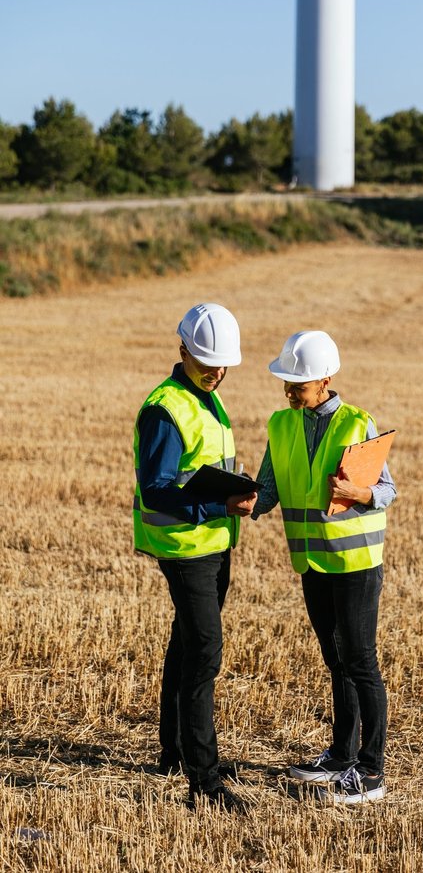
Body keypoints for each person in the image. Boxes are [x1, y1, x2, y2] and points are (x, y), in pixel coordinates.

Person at [252, 331, 396, 805]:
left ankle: (370, 773)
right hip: (312, 562)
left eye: (298, 384)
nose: (289, 392)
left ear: (325, 380)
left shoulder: (358, 424)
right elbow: (267, 492)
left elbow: (387, 491)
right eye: (286, 383)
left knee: (361, 662)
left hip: (355, 563)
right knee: (336, 661)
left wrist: (360, 494)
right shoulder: (281, 425)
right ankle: (340, 756)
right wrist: (234, 498)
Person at [133, 303, 257, 812]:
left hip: (213, 543)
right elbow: (157, 490)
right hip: (185, 549)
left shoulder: (206, 395)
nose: (217, 372)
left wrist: (233, 491)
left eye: (223, 365)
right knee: (205, 653)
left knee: (186, 646)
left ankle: (175, 753)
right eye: (208, 363)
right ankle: (203, 781)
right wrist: (220, 504)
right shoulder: (165, 408)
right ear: (182, 350)